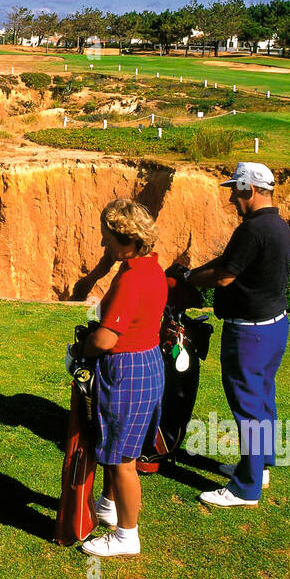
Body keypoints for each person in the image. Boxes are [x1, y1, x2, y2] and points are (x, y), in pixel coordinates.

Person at [179, 162, 290, 508]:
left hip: (249, 335)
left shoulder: (252, 230)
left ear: (250, 189)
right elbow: (232, 262)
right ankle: (261, 466)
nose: (231, 199)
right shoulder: (277, 225)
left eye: (235, 191)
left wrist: (186, 279)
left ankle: (246, 488)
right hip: (274, 327)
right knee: (262, 399)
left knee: (248, 408)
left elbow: (225, 276)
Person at [74, 198, 168, 557]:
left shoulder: (132, 277)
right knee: (121, 446)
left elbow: (106, 338)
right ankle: (109, 507)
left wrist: (80, 351)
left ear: (127, 238)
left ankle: (126, 536)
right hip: (147, 363)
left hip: (126, 369)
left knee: (121, 459)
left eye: (108, 238)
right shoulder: (151, 267)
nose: (104, 245)